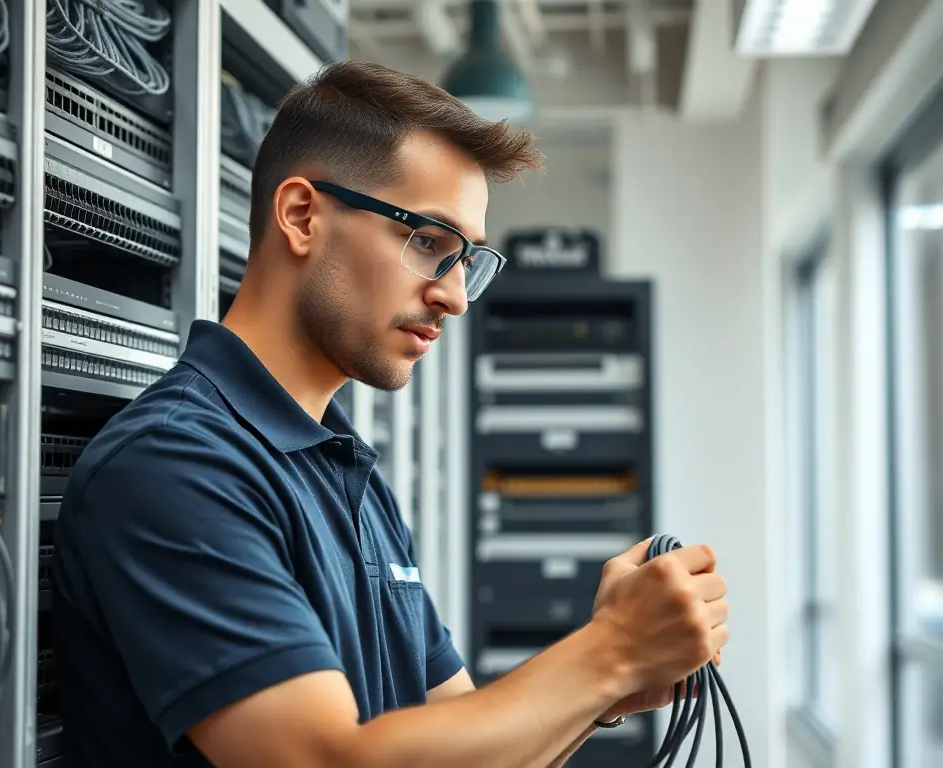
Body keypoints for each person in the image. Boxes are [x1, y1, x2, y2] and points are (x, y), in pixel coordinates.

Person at [51, 59, 730, 768]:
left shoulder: (347, 474)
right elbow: (325, 761)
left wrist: (608, 691)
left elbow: (456, 737)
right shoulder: (174, 467)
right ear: (302, 215)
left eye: (469, 259)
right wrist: (612, 652)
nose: (457, 296)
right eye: (429, 242)